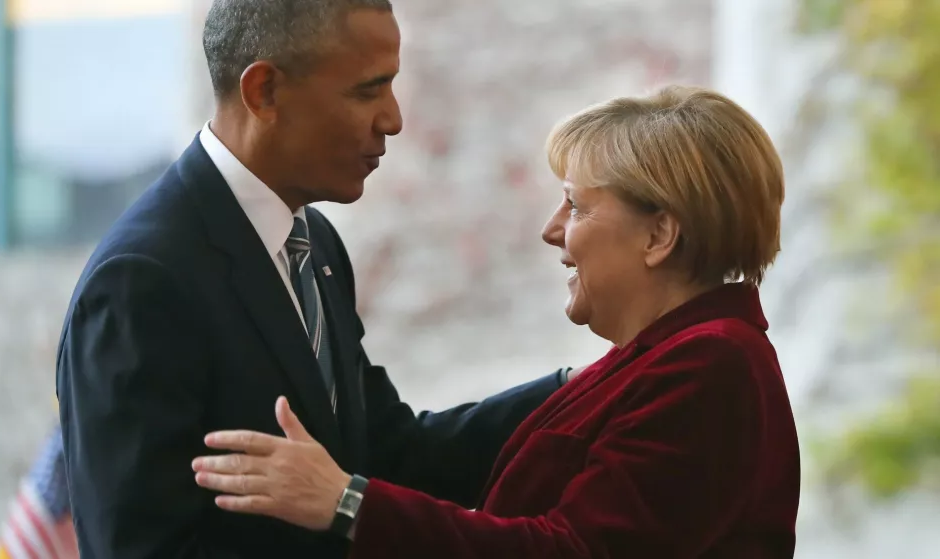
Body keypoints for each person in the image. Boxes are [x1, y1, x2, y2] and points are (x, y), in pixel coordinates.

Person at [55, 1, 581, 557]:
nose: (394, 119)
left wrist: (578, 390)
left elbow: (387, 456)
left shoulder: (314, 243)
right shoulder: (142, 281)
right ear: (265, 92)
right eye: (366, 90)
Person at [192, 85, 802, 558]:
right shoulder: (668, 359)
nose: (553, 230)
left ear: (659, 234)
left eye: (577, 205)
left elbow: (573, 551)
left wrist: (347, 505)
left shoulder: (711, 367)